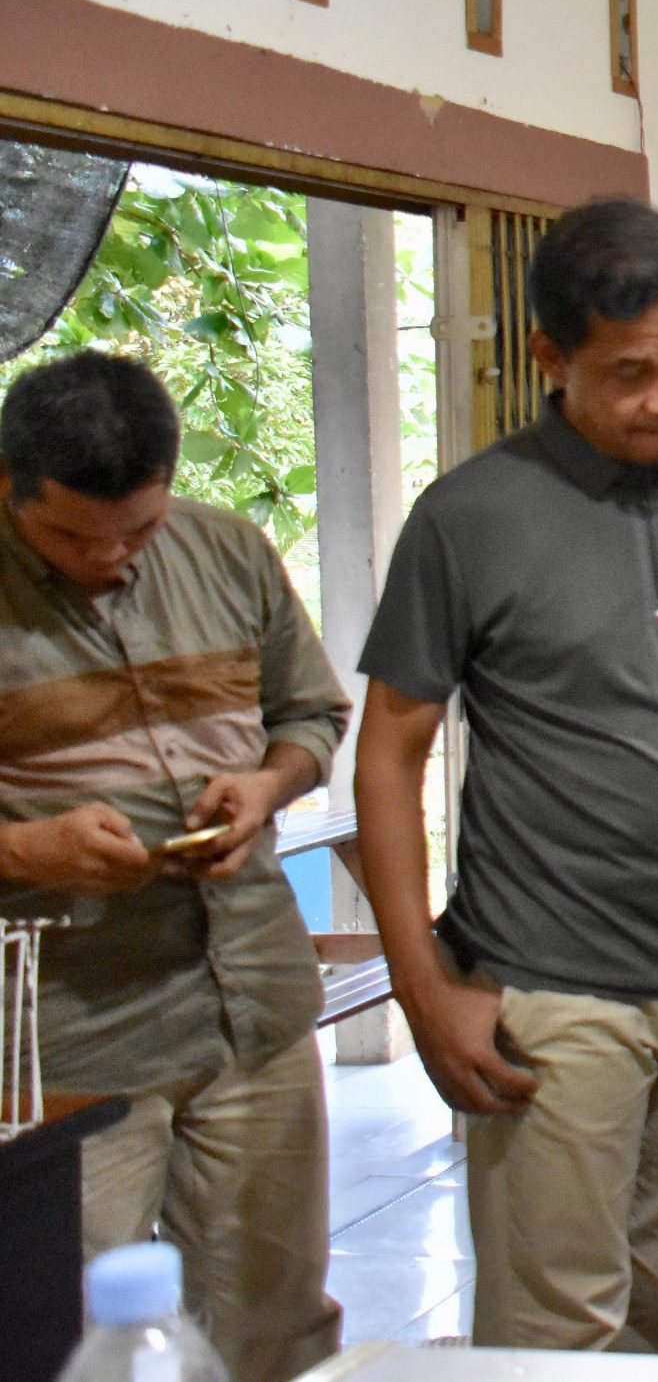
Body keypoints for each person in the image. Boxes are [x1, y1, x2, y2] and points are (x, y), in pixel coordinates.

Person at [354, 200, 658, 1353]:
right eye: (630, 373)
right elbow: (390, 754)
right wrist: (421, 986)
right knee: (557, 1337)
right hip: (550, 995)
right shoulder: (467, 517)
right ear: (551, 357)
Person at [0, 352, 349, 1382]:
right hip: (68, 1039)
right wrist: (27, 849)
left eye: (139, 530)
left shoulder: (227, 550)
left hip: (253, 1004)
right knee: (75, 1332)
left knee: (274, 1320)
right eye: (72, 536)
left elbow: (310, 715)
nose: (110, 557)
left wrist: (269, 785)